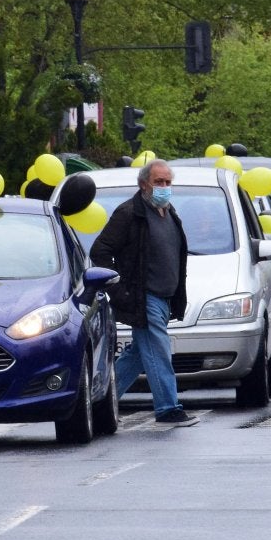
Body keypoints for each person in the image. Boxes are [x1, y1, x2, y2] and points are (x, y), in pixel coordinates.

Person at [90, 159, 192, 423]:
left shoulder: (169, 213)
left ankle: (98, 403)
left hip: (164, 297)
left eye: (168, 182)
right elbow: (100, 251)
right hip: (143, 297)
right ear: (144, 184)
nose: (164, 187)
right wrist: (119, 290)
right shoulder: (129, 214)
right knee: (158, 351)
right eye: (159, 182)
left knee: (138, 354)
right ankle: (168, 407)